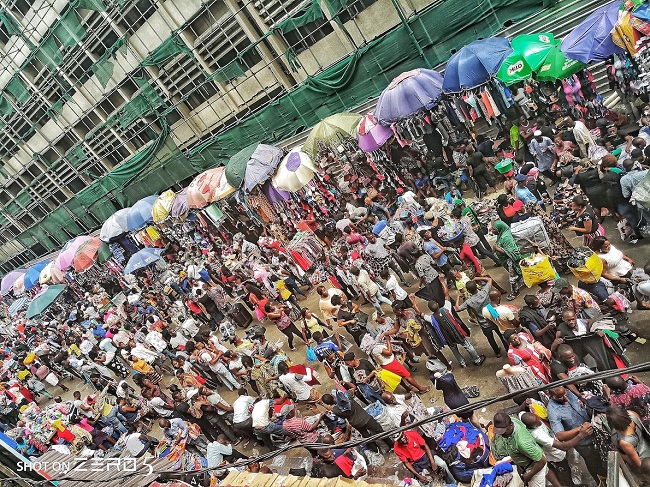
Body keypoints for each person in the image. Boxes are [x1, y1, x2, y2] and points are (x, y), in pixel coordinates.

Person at [546, 386, 605, 481]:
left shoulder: (568, 392)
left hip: (596, 433)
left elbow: (578, 400)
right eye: (560, 397)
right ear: (551, 396)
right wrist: (580, 430)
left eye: (565, 394)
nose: (565, 397)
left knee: (604, 459)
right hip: (584, 443)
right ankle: (601, 481)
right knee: (594, 464)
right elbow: (559, 435)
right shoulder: (553, 410)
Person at [520, 411, 592, 487]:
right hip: (555, 456)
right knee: (565, 473)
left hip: (557, 449)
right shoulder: (538, 435)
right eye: (537, 423)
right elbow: (564, 447)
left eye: (538, 418)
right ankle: (570, 485)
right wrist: (581, 435)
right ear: (532, 426)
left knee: (566, 468)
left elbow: (521, 412)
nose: (540, 422)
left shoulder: (526, 416)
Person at [491, 412, 548, 487]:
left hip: (534, 466)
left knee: (542, 472)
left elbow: (542, 461)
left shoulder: (522, 443)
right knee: (546, 472)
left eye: (503, 432)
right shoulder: (511, 420)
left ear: (511, 426)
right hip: (531, 457)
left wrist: (529, 475)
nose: (501, 434)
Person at [455, 277, 508, 357]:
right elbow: (490, 280)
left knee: (490, 339)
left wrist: (458, 297)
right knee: (501, 335)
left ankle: (497, 353)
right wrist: (477, 278)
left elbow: (457, 308)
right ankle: (508, 349)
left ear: (468, 291)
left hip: (484, 324)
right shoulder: (485, 292)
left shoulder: (469, 301)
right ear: (476, 286)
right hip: (494, 318)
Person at [492, 220, 525, 300]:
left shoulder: (506, 238)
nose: (493, 231)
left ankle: (515, 292)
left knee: (512, 278)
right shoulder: (502, 234)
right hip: (507, 260)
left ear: (500, 228)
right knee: (518, 275)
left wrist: (497, 249)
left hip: (511, 261)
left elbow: (513, 252)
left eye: (494, 229)